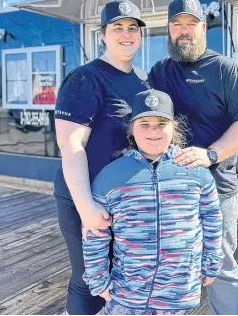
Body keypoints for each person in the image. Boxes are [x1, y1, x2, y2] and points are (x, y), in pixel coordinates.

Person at [148, 0, 238, 315]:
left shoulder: (225, 69)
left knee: (220, 265)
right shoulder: (159, 72)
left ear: (203, 28)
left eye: (191, 24)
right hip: (170, 191)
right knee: (170, 263)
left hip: (216, 189)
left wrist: (211, 154)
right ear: (168, 31)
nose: (184, 31)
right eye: (177, 25)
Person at [82, 89, 224, 315]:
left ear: (174, 127)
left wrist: (212, 263)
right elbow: (94, 234)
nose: (153, 130)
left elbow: (212, 221)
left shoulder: (196, 172)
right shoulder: (110, 177)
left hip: (178, 294)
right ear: (132, 129)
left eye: (161, 123)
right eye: (144, 123)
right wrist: (98, 280)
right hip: (127, 296)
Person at [54, 0, 149, 315]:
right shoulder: (86, 78)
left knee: (122, 275)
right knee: (88, 278)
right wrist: (86, 207)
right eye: (118, 28)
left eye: (132, 28)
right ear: (103, 35)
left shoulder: (143, 82)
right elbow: (71, 145)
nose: (126, 34)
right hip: (85, 196)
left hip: (126, 200)